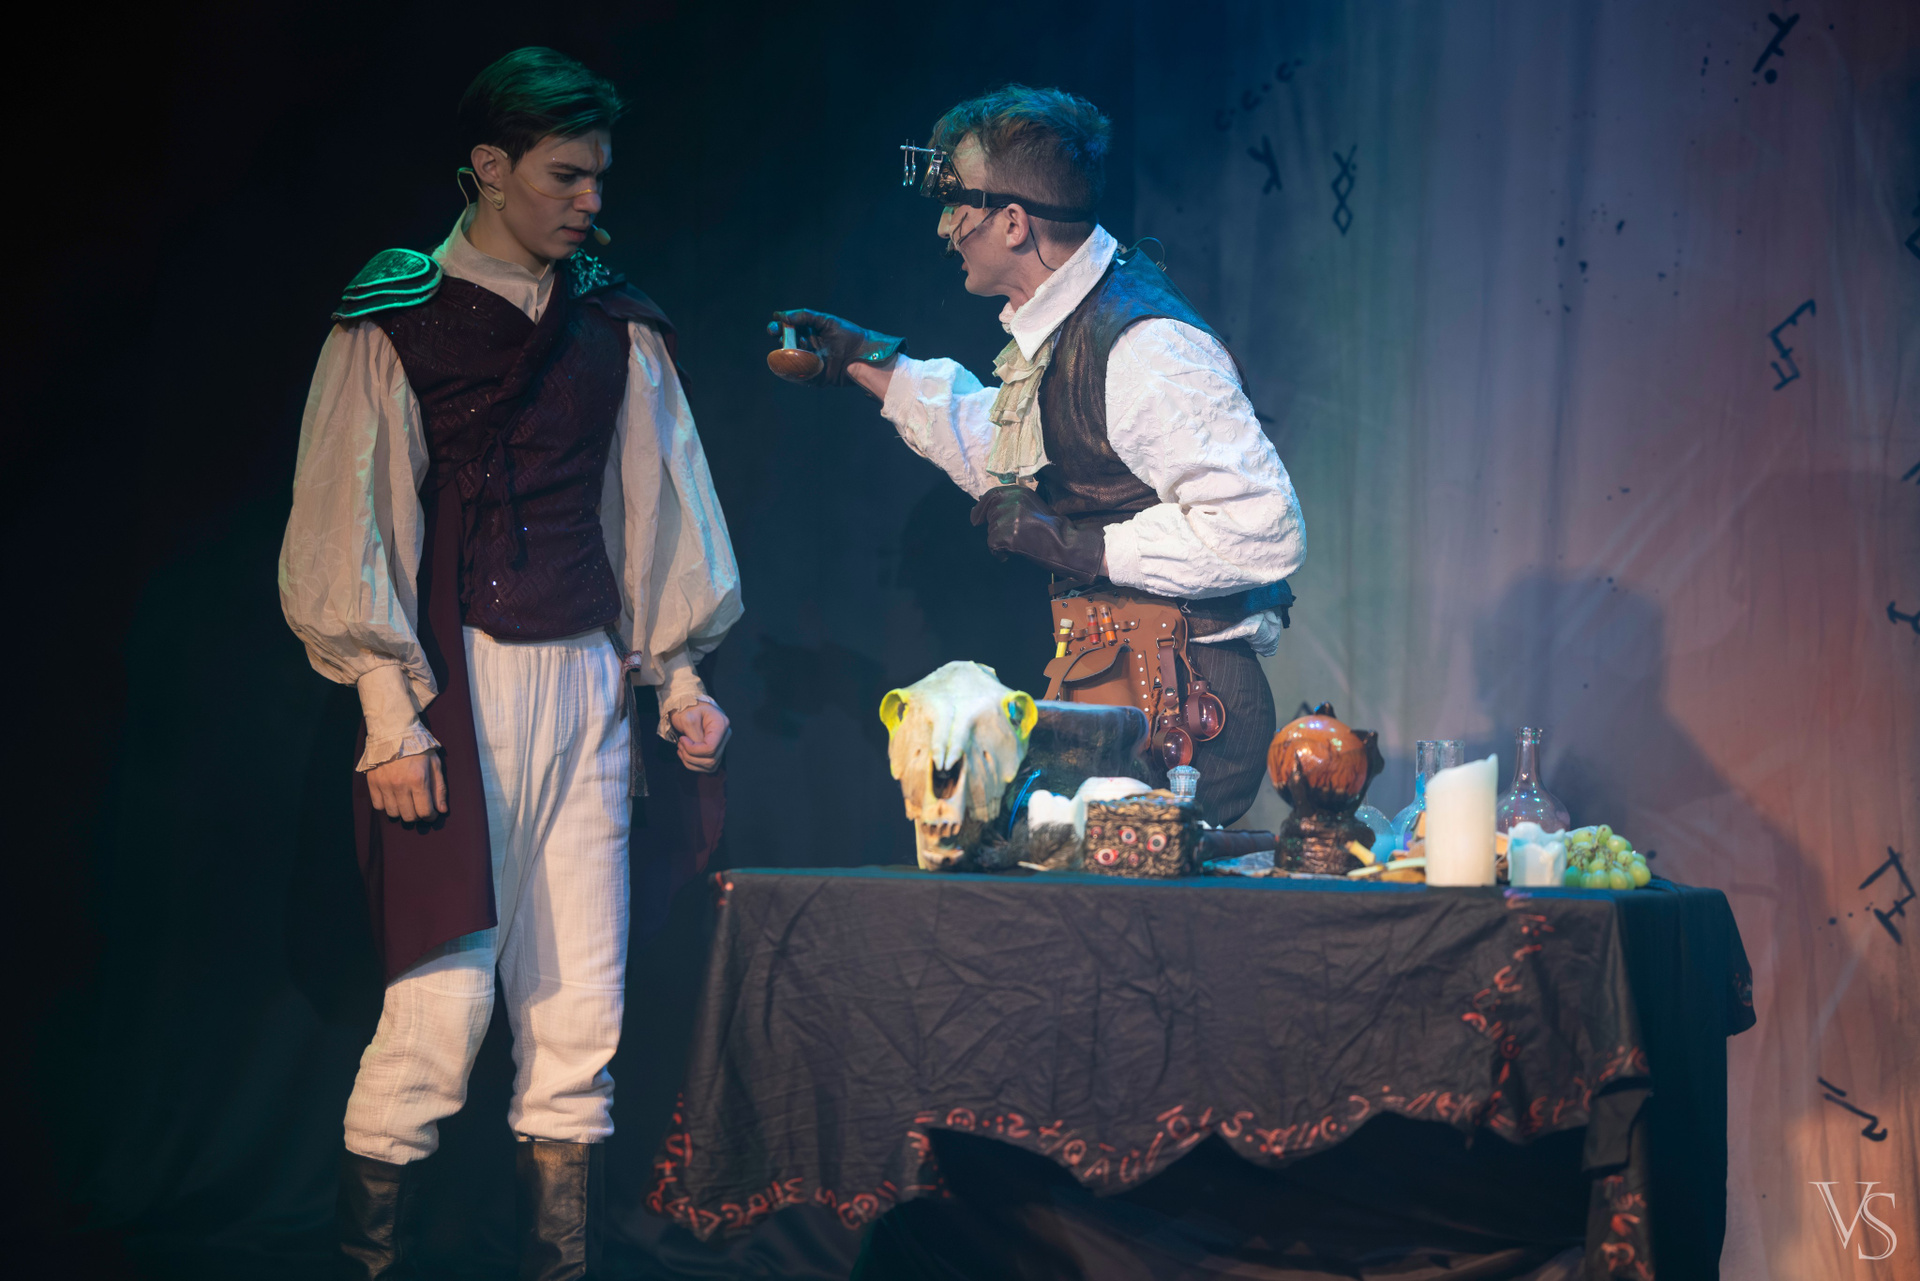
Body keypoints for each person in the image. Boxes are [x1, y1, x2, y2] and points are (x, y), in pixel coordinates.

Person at [278, 47, 741, 1280]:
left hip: (587, 680)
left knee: (580, 1008)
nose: (591, 200)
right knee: (441, 1011)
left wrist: (680, 681)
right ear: (490, 166)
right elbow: (352, 520)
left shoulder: (614, 323)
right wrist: (388, 713)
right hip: (455, 693)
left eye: (599, 178)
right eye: (564, 176)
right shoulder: (397, 314)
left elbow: (658, 508)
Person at [772, 86, 1303, 825]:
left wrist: (1081, 546)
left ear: (1014, 222)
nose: (945, 229)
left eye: (957, 206)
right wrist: (867, 363)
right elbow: (1007, 444)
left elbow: (1262, 525)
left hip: (1183, 697)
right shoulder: (1066, 329)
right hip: (1118, 677)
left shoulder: (1144, 344)